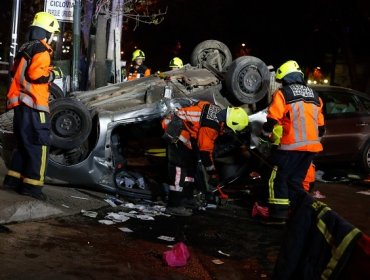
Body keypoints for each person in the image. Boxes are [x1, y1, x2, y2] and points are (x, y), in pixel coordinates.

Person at [2, 12, 60, 200]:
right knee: (39, 145)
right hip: (35, 104)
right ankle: (33, 187)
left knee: (24, 144)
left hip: (20, 104)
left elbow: (16, 72)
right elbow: (36, 75)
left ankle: (13, 181)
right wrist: (54, 74)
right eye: (53, 34)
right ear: (46, 33)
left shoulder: (25, 48)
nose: (53, 38)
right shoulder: (42, 50)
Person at [259, 60, 325, 224]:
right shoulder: (315, 96)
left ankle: (278, 215)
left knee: (276, 178)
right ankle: (296, 212)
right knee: (296, 181)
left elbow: (273, 117)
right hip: (311, 148)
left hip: (290, 147)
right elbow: (321, 126)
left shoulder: (284, 94)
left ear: (285, 77)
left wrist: (264, 134)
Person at [161, 100, 249, 216]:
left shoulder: (216, 109)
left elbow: (200, 103)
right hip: (174, 129)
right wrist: (212, 173)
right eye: (229, 129)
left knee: (190, 166)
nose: (227, 132)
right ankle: (173, 205)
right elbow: (205, 153)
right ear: (229, 123)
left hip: (183, 128)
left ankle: (187, 198)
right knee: (179, 169)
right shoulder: (210, 127)